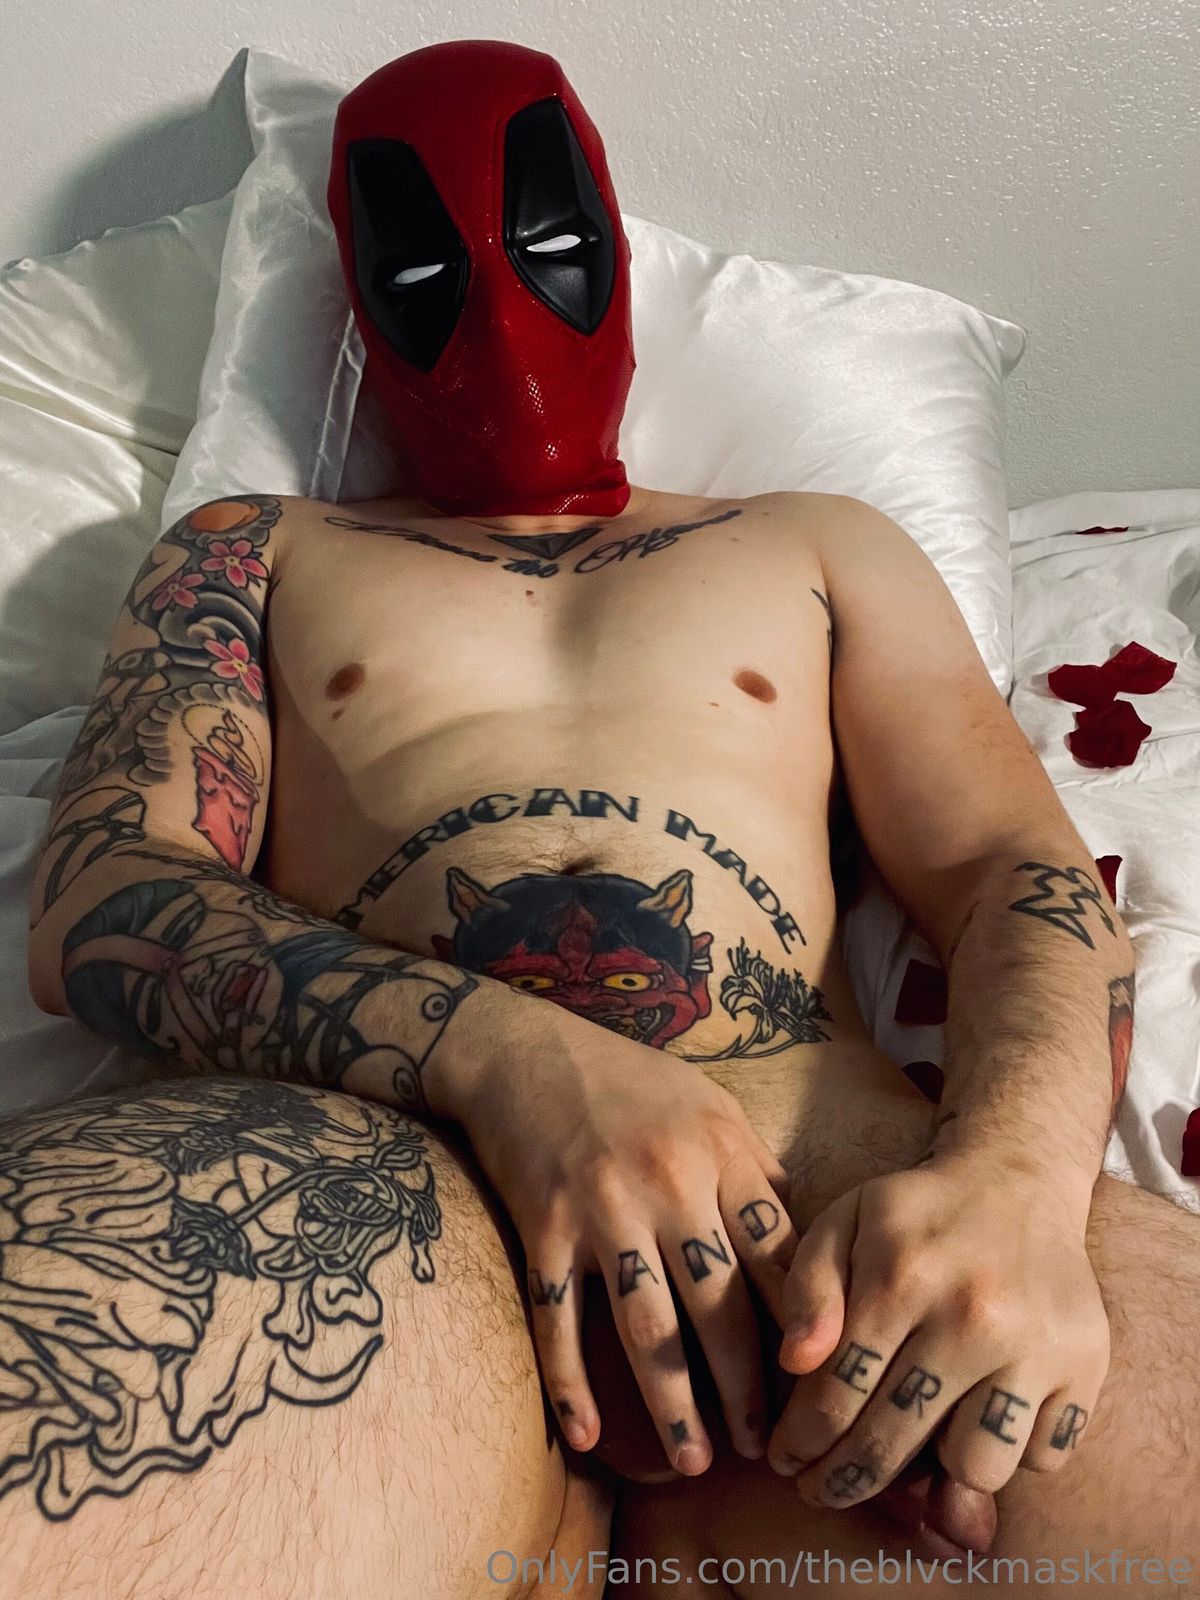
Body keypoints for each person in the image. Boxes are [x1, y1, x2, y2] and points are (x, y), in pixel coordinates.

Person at [4, 37, 1197, 1600]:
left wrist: (1020, 1189)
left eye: (548, 248)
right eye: (422, 272)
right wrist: (513, 1059)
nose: (499, 314)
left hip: (830, 1196)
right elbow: (108, 893)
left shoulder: (817, 542)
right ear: (359, 298)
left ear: (613, 253)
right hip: (367, 1187)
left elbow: (1006, 869)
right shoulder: (252, 548)